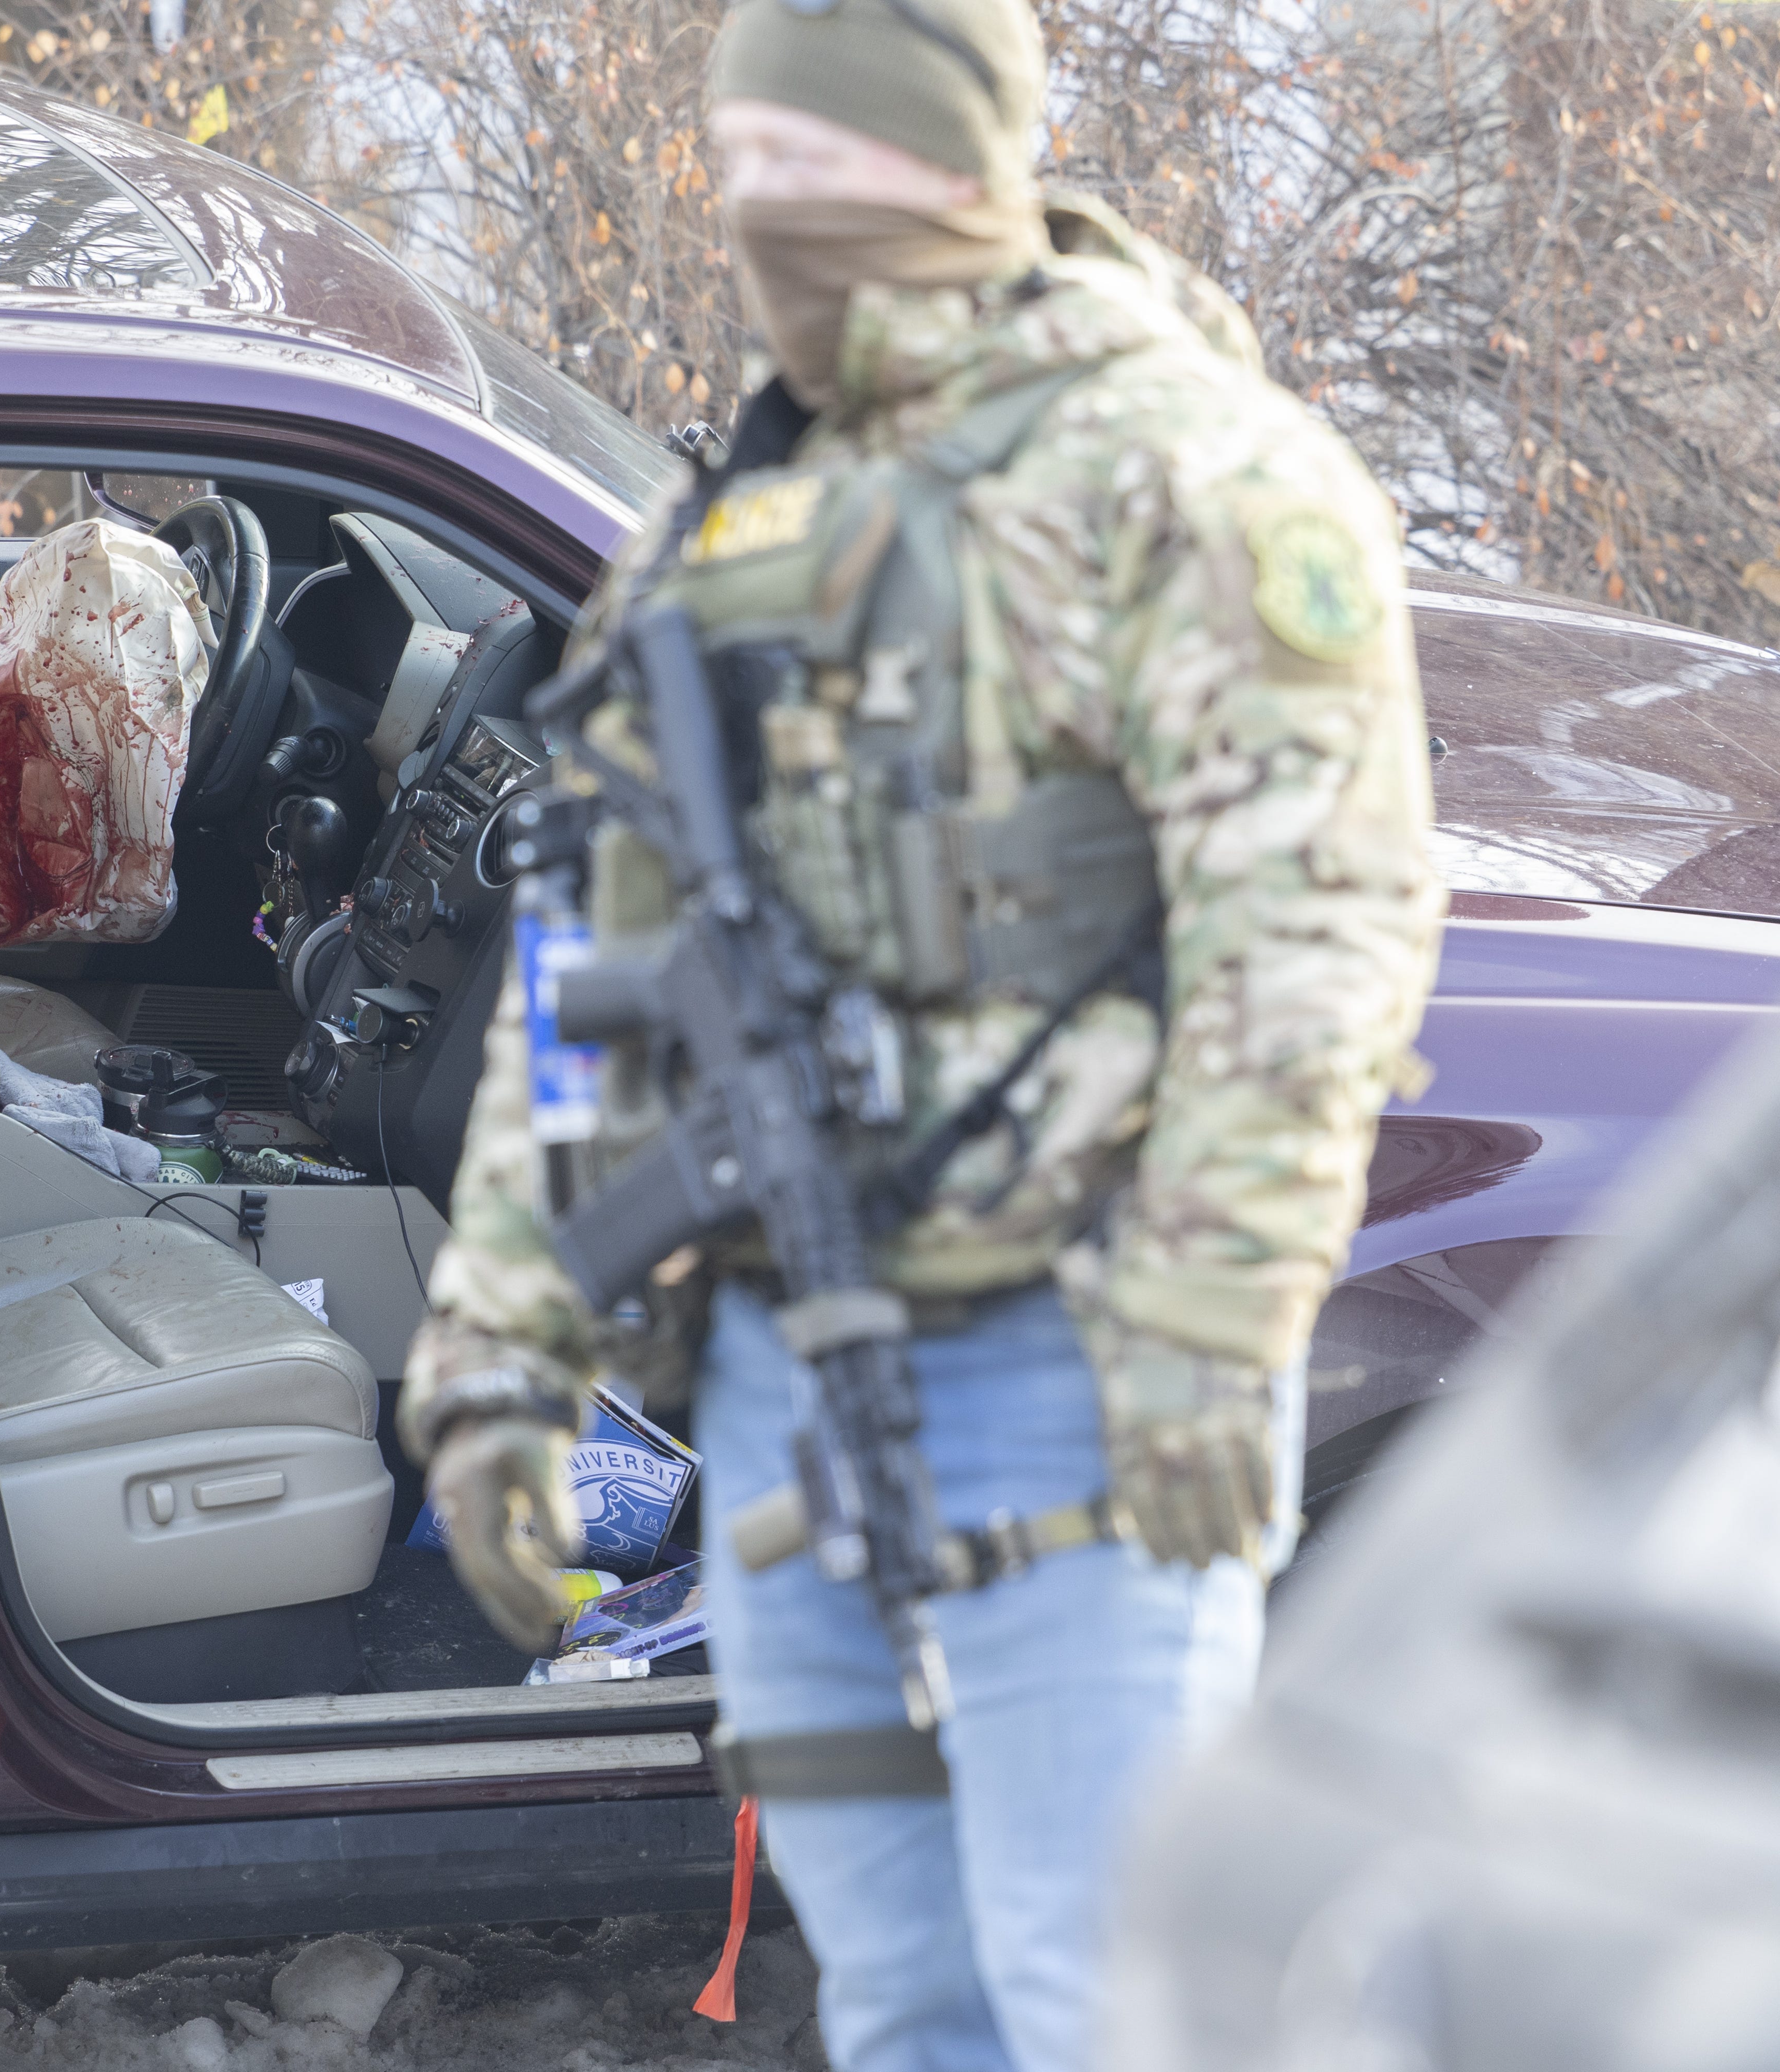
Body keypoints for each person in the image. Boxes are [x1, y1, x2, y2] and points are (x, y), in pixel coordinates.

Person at [395, 0, 1445, 2064]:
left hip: (1082, 1383)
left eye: (823, 170)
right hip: (777, 1394)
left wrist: (1211, 1330)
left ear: (962, 164)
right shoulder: (747, 510)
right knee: (893, 1988)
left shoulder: (1190, 475)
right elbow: (595, 965)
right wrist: (501, 1357)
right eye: (745, 174)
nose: (770, 222)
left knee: (1093, 1991)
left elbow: (1316, 943)